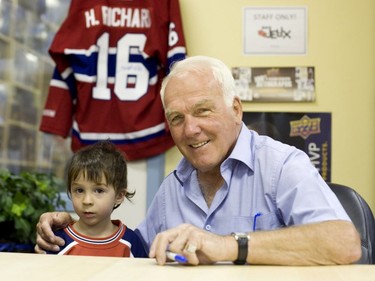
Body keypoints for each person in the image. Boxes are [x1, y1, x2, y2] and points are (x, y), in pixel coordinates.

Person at [36, 56, 361, 265]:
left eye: (203, 110)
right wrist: (77, 221)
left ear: (235, 109)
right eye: (176, 118)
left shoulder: (282, 165)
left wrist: (228, 246)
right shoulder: (171, 188)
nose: (190, 129)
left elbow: (343, 243)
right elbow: (136, 251)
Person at [45, 140, 147, 257]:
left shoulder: (131, 242)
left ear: (119, 196)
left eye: (99, 190)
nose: (87, 201)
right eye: (79, 190)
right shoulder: (58, 241)